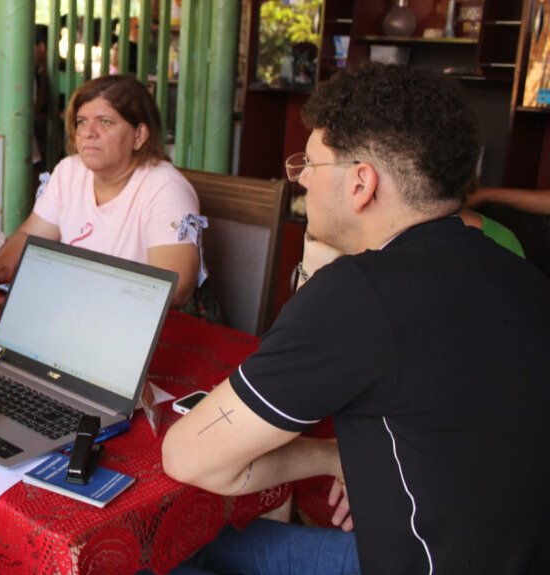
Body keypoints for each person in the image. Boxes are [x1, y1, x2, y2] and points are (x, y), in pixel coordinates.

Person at [162, 62, 550, 573]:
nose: (299, 178)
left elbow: (188, 458)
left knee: (156, 555)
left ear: (362, 183)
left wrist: (330, 457)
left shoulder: (362, 292)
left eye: (311, 164)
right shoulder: (523, 275)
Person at [0, 75, 203, 307]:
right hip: (77, 308)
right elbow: (28, 237)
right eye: (81, 121)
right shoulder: (69, 171)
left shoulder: (165, 188)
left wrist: (78, 289)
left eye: (105, 121)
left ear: (139, 135)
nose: (89, 132)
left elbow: (175, 288)